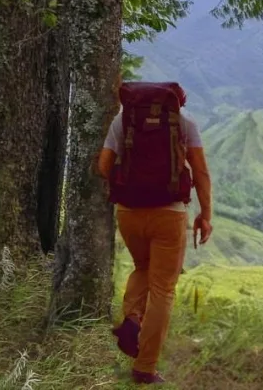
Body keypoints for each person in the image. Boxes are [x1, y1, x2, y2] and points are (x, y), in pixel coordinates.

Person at [99, 81, 213, 385]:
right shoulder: (185, 124)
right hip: (169, 214)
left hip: (129, 212)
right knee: (163, 288)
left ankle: (132, 319)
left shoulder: (123, 120)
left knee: (142, 267)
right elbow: (200, 171)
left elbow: (103, 165)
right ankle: (145, 368)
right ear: (177, 103)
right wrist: (205, 214)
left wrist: (129, 185)